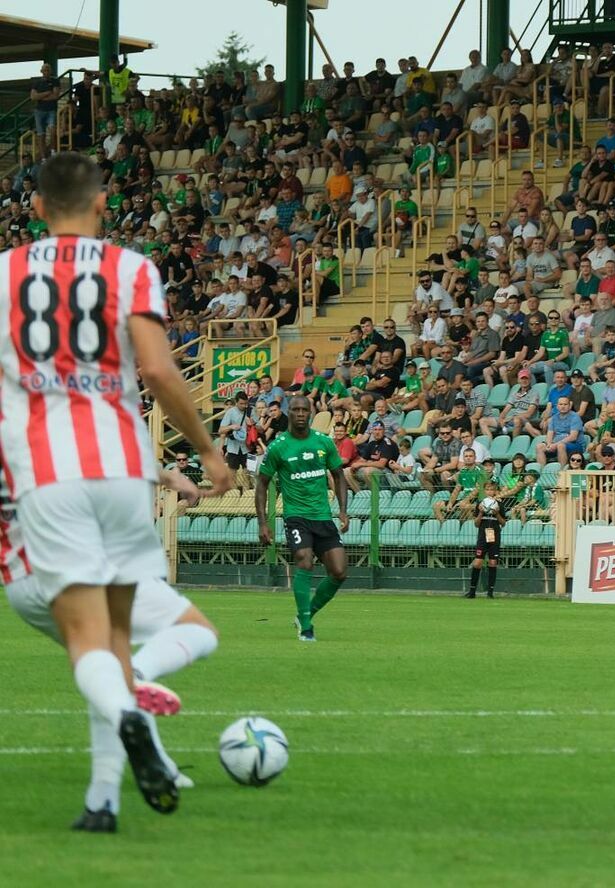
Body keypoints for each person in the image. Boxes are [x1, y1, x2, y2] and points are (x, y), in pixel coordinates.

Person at [0, 153, 230, 826]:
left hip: (47, 471)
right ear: (103, 203)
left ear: (36, 208)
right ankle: (102, 800)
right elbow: (158, 371)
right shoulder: (130, 269)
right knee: (120, 638)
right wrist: (208, 450)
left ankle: (123, 728)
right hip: (126, 467)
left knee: (88, 644)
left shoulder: (6, 274)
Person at [3, 467, 218, 832]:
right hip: (76, 563)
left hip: (20, 582)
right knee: (196, 632)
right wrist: (169, 477)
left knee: (98, 665)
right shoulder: (35, 424)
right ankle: (133, 678)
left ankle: (108, 799)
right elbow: (100, 461)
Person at [255, 396, 350, 642]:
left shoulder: (323, 442)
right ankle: (306, 628)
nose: (299, 413)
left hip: (322, 516)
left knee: (339, 572)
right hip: (296, 516)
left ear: (310, 413)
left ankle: (305, 615)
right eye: (295, 409)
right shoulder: (279, 446)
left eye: (303, 410)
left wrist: (342, 510)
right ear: (290, 412)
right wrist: (263, 522)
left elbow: (339, 475)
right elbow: (262, 484)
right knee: (304, 561)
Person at [466, 481, 505, 599]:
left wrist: (497, 514)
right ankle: (472, 591)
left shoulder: (499, 504)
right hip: (483, 536)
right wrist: (481, 513)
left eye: (492, 489)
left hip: (494, 536)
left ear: (496, 491)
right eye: (487, 489)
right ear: (484, 491)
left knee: (493, 563)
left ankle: (490, 592)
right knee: (477, 562)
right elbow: (476, 524)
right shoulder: (480, 504)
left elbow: (503, 523)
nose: (490, 492)